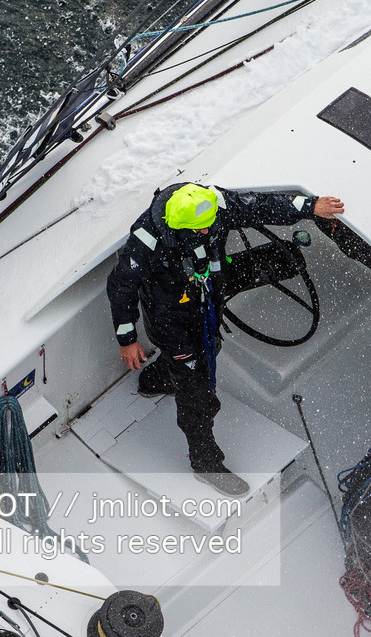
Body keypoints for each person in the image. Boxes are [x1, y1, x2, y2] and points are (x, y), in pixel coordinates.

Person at [107, 182, 345, 496]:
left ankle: (158, 378)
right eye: (200, 231)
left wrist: (309, 207)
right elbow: (120, 287)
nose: (208, 232)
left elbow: (260, 205)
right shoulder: (146, 242)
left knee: (217, 340)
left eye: (211, 226)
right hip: (172, 321)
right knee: (199, 396)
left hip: (207, 292)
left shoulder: (213, 204)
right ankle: (205, 464)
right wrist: (127, 339)